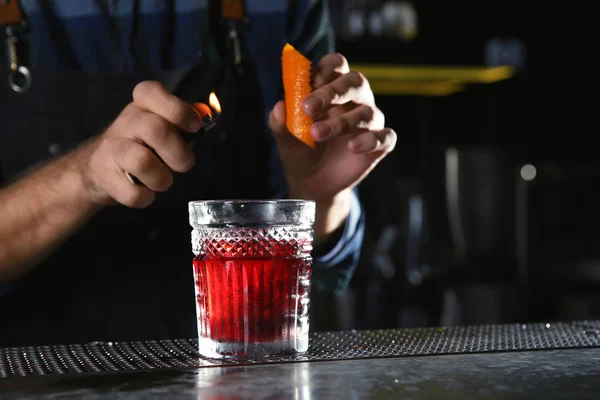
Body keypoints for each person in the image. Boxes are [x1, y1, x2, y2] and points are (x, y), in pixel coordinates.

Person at [0, 0, 396, 345]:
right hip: (38, 370)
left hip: (238, 372)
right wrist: (82, 177)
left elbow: (319, 263)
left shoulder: (281, 5)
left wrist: (321, 196)